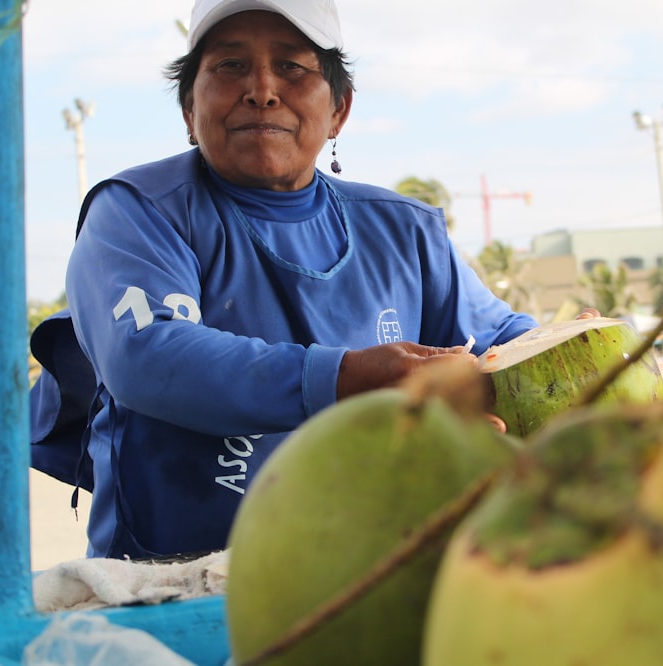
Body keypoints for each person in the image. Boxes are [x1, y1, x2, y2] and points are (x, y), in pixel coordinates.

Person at [61, 0, 540, 561]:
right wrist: (350, 378)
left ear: (339, 109)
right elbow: (145, 355)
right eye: (230, 66)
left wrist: (589, 349)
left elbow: (503, 339)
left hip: (370, 574)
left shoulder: (407, 229)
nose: (262, 89)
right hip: (172, 581)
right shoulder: (138, 211)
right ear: (189, 109)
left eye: (292, 67)